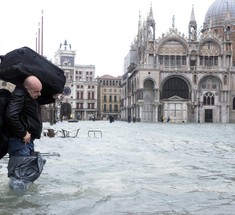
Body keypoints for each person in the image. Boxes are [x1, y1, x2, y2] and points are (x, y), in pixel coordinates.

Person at [5, 75, 56, 190]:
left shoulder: (28, 95)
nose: (39, 94)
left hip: (25, 143)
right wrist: (23, 133)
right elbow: (11, 116)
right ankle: (17, 206)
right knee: (19, 179)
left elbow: (40, 99)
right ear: (27, 89)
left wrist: (54, 95)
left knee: (23, 176)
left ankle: (23, 205)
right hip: (20, 142)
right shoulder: (19, 95)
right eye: (36, 91)